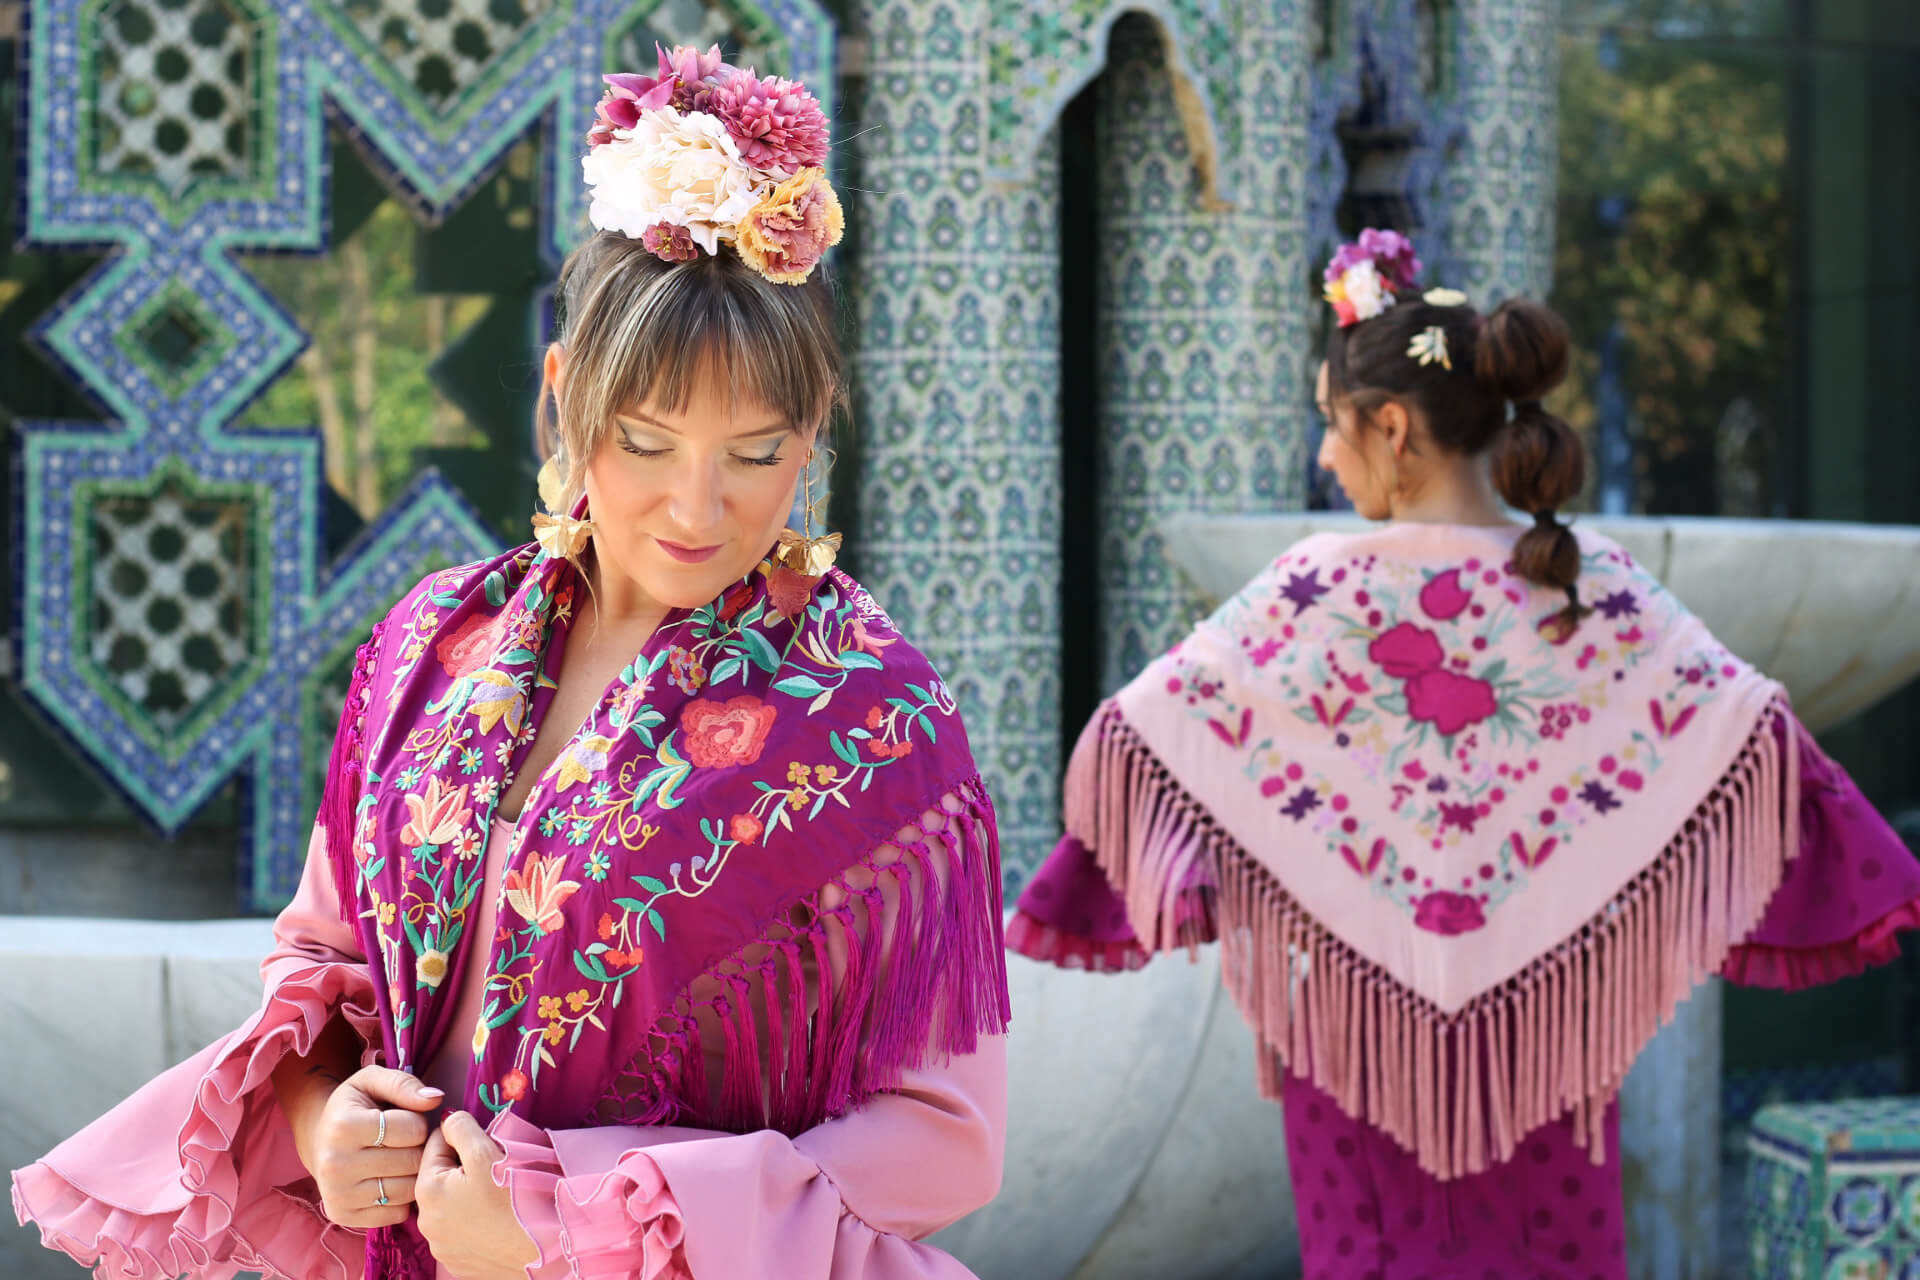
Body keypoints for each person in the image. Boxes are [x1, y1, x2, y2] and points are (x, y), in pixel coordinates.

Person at [14, 46, 1009, 1280]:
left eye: (756, 452)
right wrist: (327, 1120)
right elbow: (324, 957)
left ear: (814, 433)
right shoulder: (437, 648)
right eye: (645, 440)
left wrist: (582, 1226)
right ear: (563, 400)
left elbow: (944, 1141)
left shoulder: (874, 721)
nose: (697, 505)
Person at [1007, 229, 1920, 1278]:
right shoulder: (1596, 585)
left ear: (1391, 426)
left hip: (1352, 1047)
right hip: (1547, 1045)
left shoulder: (1312, 591)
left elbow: (1142, 741)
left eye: (1331, 425)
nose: (1323, 455)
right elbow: (1751, 735)